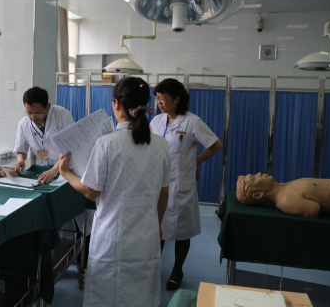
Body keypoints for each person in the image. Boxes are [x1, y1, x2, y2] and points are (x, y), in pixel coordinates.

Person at [58, 77, 171, 307]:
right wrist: (157, 225)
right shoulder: (161, 145)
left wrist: (65, 172)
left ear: (116, 104)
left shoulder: (107, 143)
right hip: (147, 235)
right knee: (141, 293)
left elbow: (91, 192)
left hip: (112, 236)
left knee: (108, 295)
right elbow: (163, 194)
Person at [149, 78, 223, 291]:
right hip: (158, 183)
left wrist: (195, 162)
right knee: (157, 226)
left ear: (177, 99)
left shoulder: (192, 122)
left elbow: (215, 144)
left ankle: (177, 270)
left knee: (183, 230)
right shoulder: (156, 121)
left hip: (180, 184)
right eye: (157, 99)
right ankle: (153, 267)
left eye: (164, 99)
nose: (160, 103)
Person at [13, 86, 75, 184]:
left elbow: (71, 147)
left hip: (66, 167)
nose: (33, 117)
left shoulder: (63, 115)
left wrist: (54, 169)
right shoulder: (23, 123)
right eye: (29, 113)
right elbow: (21, 150)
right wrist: (20, 160)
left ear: (47, 106)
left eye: (38, 113)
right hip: (42, 167)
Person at [236, 173, 330, 218]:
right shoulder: (286, 200)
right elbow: (314, 209)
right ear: (258, 195)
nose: (258, 173)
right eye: (254, 178)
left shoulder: (283, 187)